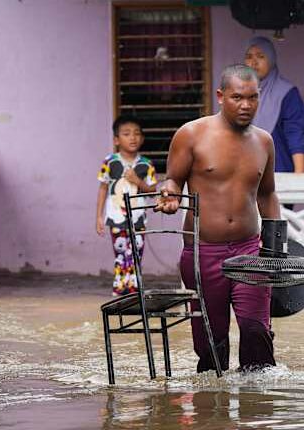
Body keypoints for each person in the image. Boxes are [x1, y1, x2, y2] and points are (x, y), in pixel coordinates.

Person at [155, 64, 281, 372]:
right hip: (202, 251)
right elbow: (172, 179)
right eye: (238, 97)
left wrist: (277, 247)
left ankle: (258, 411)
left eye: (253, 98)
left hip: (250, 251)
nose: (246, 105)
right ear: (221, 96)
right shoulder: (191, 135)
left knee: (255, 331)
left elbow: (267, 194)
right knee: (212, 342)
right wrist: (169, 194)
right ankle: (212, 410)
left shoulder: (264, 142)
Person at [96, 115, 157, 296]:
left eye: (137, 134)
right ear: (116, 140)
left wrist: (137, 180)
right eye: (126, 134)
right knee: (121, 253)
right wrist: (99, 216)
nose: (133, 137)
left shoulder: (146, 164)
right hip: (116, 217)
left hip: (138, 218)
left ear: (142, 139)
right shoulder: (109, 162)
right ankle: (120, 289)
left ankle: (134, 289)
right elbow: (103, 189)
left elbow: (152, 191)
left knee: (137, 253)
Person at [244, 36, 304, 175]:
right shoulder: (240, 92)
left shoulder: (286, 93)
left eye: (260, 56)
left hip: (278, 172)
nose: (253, 63)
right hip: (244, 175)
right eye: (249, 57)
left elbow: (295, 133)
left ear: (271, 60)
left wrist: (300, 176)